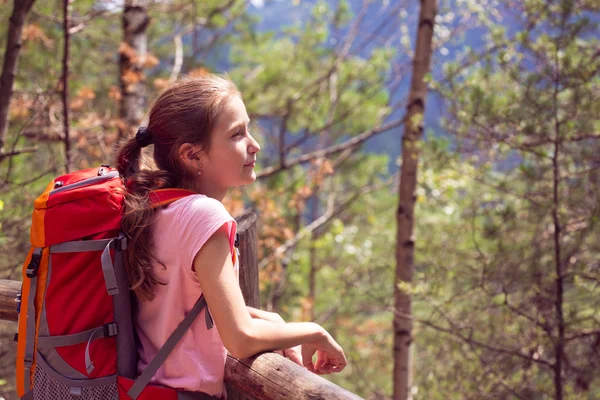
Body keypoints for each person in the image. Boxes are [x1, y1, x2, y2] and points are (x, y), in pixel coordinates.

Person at [115, 74, 347, 399]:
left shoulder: (152, 206)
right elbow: (239, 338)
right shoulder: (202, 216)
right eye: (237, 134)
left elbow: (181, 304)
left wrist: (275, 323)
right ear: (191, 155)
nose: (255, 145)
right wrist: (314, 331)